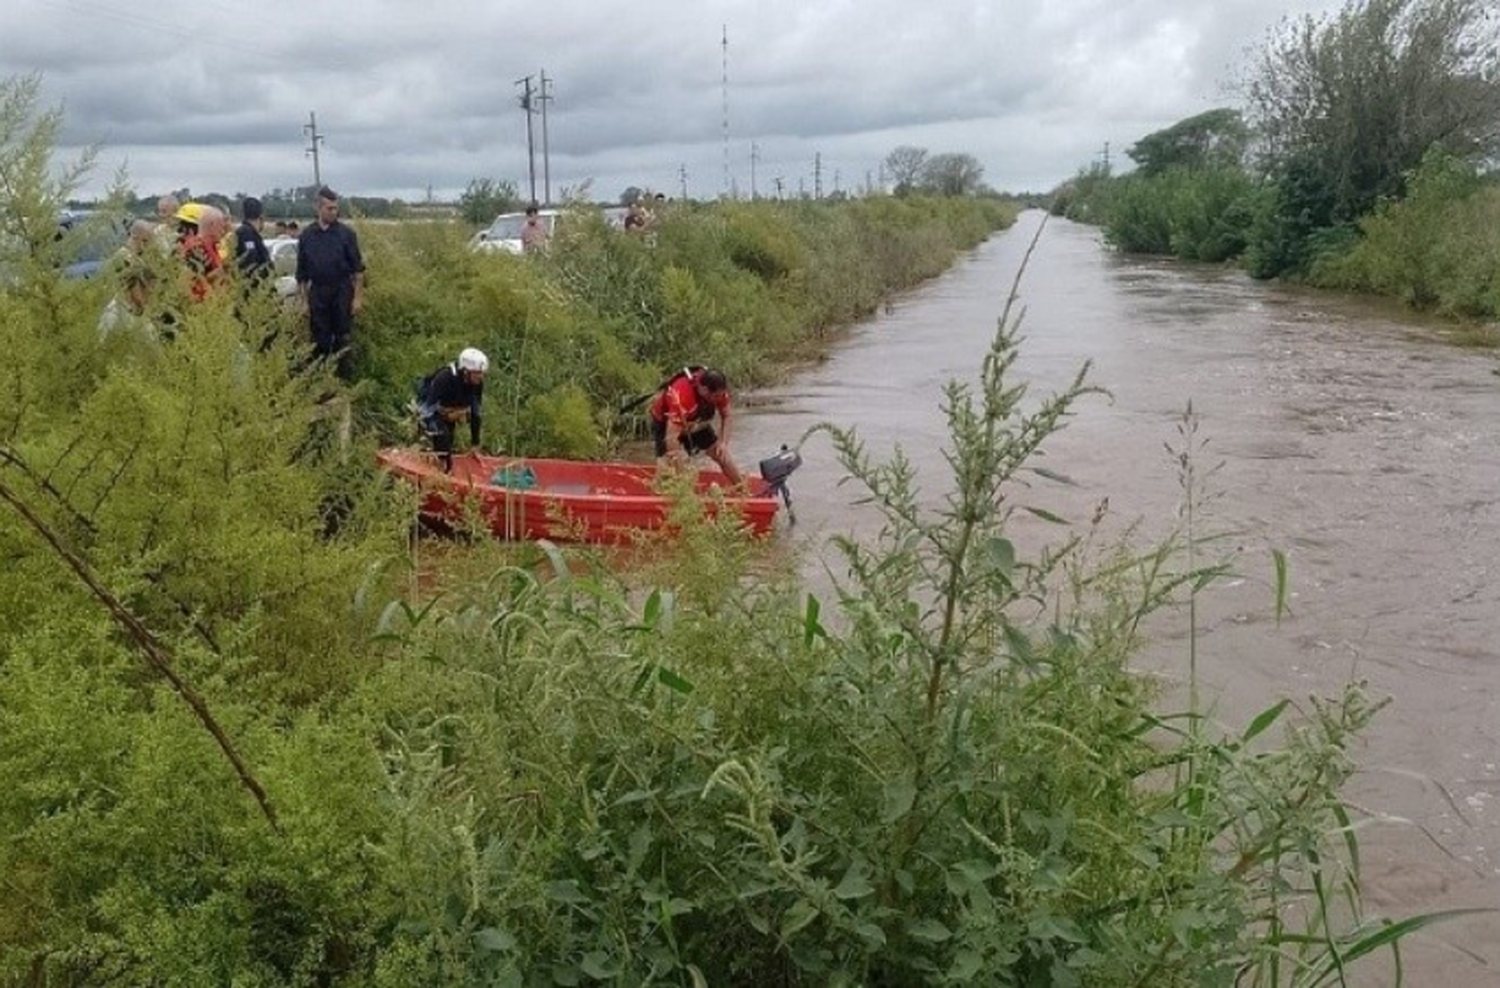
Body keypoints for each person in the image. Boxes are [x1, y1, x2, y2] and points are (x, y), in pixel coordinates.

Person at [295, 186, 365, 378]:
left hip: (342, 289)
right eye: (329, 208)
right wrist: (303, 302)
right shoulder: (307, 236)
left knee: (343, 338)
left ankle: (345, 379)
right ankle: (321, 380)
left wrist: (357, 298)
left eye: (336, 208)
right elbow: (301, 274)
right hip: (318, 291)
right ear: (318, 208)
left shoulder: (346, 235)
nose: (334, 212)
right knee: (319, 338)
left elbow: (358, 270)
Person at [648, 366, 742, 484]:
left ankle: (743, 490)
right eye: (716, 397)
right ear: (704, 390)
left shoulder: (718, 390)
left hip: (694, 421)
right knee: (668, 467)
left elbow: (727, 415)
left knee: (721, 454)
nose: (719, 400)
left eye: (721, 395)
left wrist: (723, 443)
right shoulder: (682, 395)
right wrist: (681, 474)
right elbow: (671, 438)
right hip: (666, 423)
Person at [416, 347, 488, 471]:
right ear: (465, 371)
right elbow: (426, 411)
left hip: (452, 410)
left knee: (448, 442)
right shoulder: (445, 378)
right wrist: (444, 416)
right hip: (431, 410)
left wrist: (475, 444)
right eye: (477, 373)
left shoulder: (477, 384)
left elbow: (476, 413)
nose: (480, 376)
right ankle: (438, 464)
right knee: (443, 441)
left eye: (481, 373)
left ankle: (441, 461)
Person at [233, 196, 271, 283]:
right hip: (254, 287)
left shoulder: (248, 232)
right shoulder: (246, 233)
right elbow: (250, 260)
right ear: (261, 216)